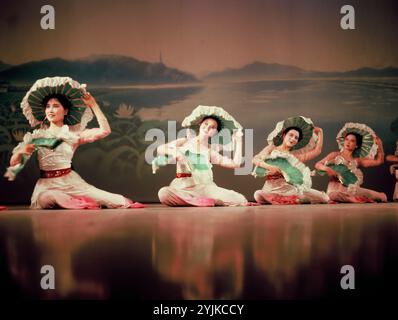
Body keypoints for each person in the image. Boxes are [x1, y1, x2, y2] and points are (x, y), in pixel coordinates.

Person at [5, 76, 144, 209]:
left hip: (71, 183)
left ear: (65, 111)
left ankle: (76, 201)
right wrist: (20, 152)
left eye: (55, 106)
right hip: (47, 186)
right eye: (48, 106)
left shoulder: (72, 135)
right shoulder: (37, 136)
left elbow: (105, 131)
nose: (51, 110)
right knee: (47, 197)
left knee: (115, 200)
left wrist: (93, 105)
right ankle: (73, 202)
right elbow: (13, 164)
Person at [155, 105, 248, 206]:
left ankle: (200, 201)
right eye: (206, 123)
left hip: (206, 190)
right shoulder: (184, 142)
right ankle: (200, 201)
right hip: (184, 189)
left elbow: (236, 164)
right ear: (200, 124)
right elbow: (160, 149)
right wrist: (175, 152)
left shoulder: (209, 151)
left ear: (215, 132)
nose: (208, 128)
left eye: (212, 127)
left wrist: (239, 142)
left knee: (240, 199)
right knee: (163, 193)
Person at [253, 116, 329, 205]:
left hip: (289, 189)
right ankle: (283, 200)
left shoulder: (294, 157)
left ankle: (285, 200)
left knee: (324, 198)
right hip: (271, 189)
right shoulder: (272, 148)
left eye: (296, 138)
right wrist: (270, 167)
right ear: (284, 135)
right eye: (291, 135)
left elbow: (317, 151)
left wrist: (320, 132)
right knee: (258, 194)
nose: (293, 139)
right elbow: (255, 159)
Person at [315, 123, 387, 203]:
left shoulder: (357, 160)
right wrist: (328, 169)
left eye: (352, 141)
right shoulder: (335, 155)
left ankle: (355, 198)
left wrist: (380, 145)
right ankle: (354, 199)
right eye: (347, 139)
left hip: (351, 189)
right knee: (333, 195)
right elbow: (318, 164)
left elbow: (379, 161)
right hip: (335, 189)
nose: (348, 142)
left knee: (382, 197)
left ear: (356, 145)